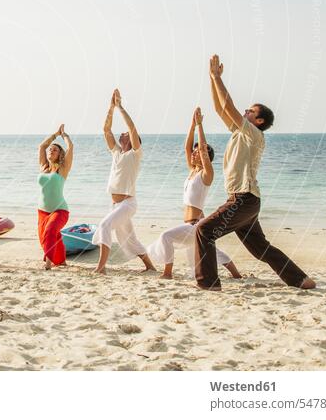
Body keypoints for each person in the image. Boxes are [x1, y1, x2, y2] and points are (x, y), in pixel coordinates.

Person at [195, 55, 315, 290]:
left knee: (204, 231)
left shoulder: (254, 135)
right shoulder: (240, 133)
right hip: (245, 201)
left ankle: (208, 283)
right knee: (261, 248)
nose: (245, 112)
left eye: (250, 111)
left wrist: (219, 78)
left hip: (243, 199)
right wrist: (211, 78)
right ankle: (301, 280)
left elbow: (228, 106)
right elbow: (221, 108)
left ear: (258, 121)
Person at [147, 108, 242, 280]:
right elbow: (186, 147)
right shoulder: (192, 171)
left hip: (196, 224)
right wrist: (192, 124)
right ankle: (237, 275)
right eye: (194, 152)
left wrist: (200, 126)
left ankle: (167, 273)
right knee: (210, 251)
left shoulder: (206, 175)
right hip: (192, 224)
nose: (193, 154)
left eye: (197, 152)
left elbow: (203, 150)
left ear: (205, 157)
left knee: (166, 236)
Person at [93, 89, 156, 274]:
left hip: (127, 204)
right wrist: (111, 107)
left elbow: (133, 129)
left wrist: (121, 107)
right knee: (129, 239)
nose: (123, 134)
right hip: (115, 205)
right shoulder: (116, 152)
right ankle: (150, 267)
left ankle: (101, 267)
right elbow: (106, 129)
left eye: (125, 133)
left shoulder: (135, 154)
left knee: (104, 226)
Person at [37, 124, 73, 269]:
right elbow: (41, 147)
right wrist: (55, 134)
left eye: (55, 149)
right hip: (42, 211)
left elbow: (71, 147)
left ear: (60, 154)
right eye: (50, 149)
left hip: (60, 210)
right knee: (52, 238)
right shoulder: (44, 167)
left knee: (51, 230)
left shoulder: (63, 169)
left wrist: (64, 135)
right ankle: (61, 260)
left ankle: (48, 264)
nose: (51, 150)